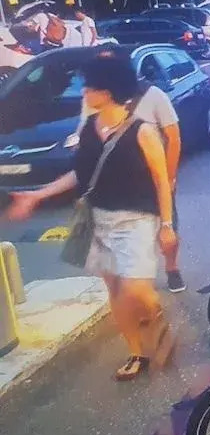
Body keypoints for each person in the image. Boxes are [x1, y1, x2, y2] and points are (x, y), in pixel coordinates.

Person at [6, 52, 177, 381]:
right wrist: (38, 195)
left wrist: (167, 226)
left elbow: (161, 181)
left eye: (89, 86)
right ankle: (137, 352)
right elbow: (79, 174)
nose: (83, 91)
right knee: (115, 291)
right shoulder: (88, 128)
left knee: (137, 291)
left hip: (136, 220)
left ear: (108, 91)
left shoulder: (142, 132)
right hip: (97, 220)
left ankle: (155, 318)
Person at [78, 48, 186, 292]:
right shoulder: (93, 100)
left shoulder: (153, 95)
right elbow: (87, 132)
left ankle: (171, 268)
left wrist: (169, 176)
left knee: (168, 229)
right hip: (115, 183)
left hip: (150, 176)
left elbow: (173, 136)